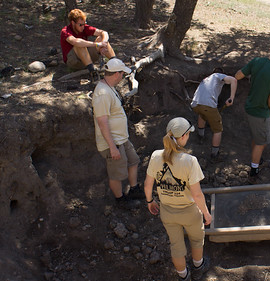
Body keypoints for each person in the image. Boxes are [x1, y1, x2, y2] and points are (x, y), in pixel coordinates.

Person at [144, 117, 212, 281]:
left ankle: (184, 276)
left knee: (176, 245)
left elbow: (147, 185)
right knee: (196, 239)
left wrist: (150, 201)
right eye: (188, 134)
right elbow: (197, 195)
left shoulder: (155, 156)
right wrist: (206, 214)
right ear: (183, 137)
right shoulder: (190, 161)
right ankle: (198, 265)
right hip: (189, 212)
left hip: (167, 211)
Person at [92, 58, 143, 208]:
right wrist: (112, 147)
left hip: (122, 139)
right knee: (117, 174)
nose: (123, 77)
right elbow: (102, 122)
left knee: (133, 161)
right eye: (122, 74)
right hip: (113, 142)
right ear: (116, 74)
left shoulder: (109, 87)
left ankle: (133, 189)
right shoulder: (102, 93)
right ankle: (120, 200)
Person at [235, 38, 270, 183]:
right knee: (262, 142)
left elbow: (238, 75)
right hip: (260, 111)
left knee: (257, 137)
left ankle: (256, 158)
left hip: (250, 106)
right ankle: (254, 171)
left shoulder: (256, 61)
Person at [190, 68, 237, 162]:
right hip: (207, 104)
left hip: (195, 104)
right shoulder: (218, 76)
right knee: (218, 129)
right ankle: (215, 155)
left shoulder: (206, 79)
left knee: (202, 115)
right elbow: (234, 80)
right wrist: (231, 98)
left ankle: (200, 137)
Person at [60, 9, 116, 79]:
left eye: (84, 23)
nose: (83, 27)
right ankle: (93, 72)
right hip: (74, 61)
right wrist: (97, 44)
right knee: (80, 44)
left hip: (86, 59)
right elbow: (75, 42)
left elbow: (104, 33)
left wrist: (103, 44)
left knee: (101, 37)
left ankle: (116, 63)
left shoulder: (84, 28)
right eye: (80, 25)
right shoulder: (65, 31)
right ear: (73, 23)